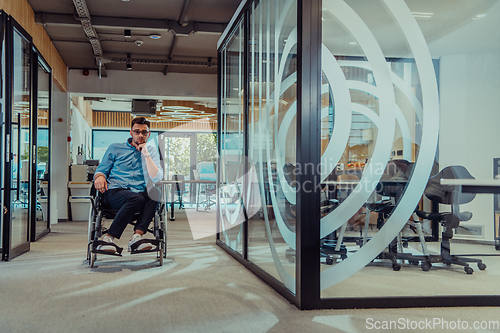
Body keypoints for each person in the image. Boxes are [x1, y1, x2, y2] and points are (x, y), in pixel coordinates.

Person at [93, 117, 163, 254]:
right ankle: (108, 237)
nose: (140, 135)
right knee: (137, 198)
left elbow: (157, 177)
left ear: (149, 134)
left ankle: (136, 238)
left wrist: (146, 154)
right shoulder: (114, 148)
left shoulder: (152, 151)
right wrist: (99, 176)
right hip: (114, 192)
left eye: (144, 132)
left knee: (154, 193)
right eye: (137, 132)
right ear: (131, 133)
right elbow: (102, 169)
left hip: (137, 194)